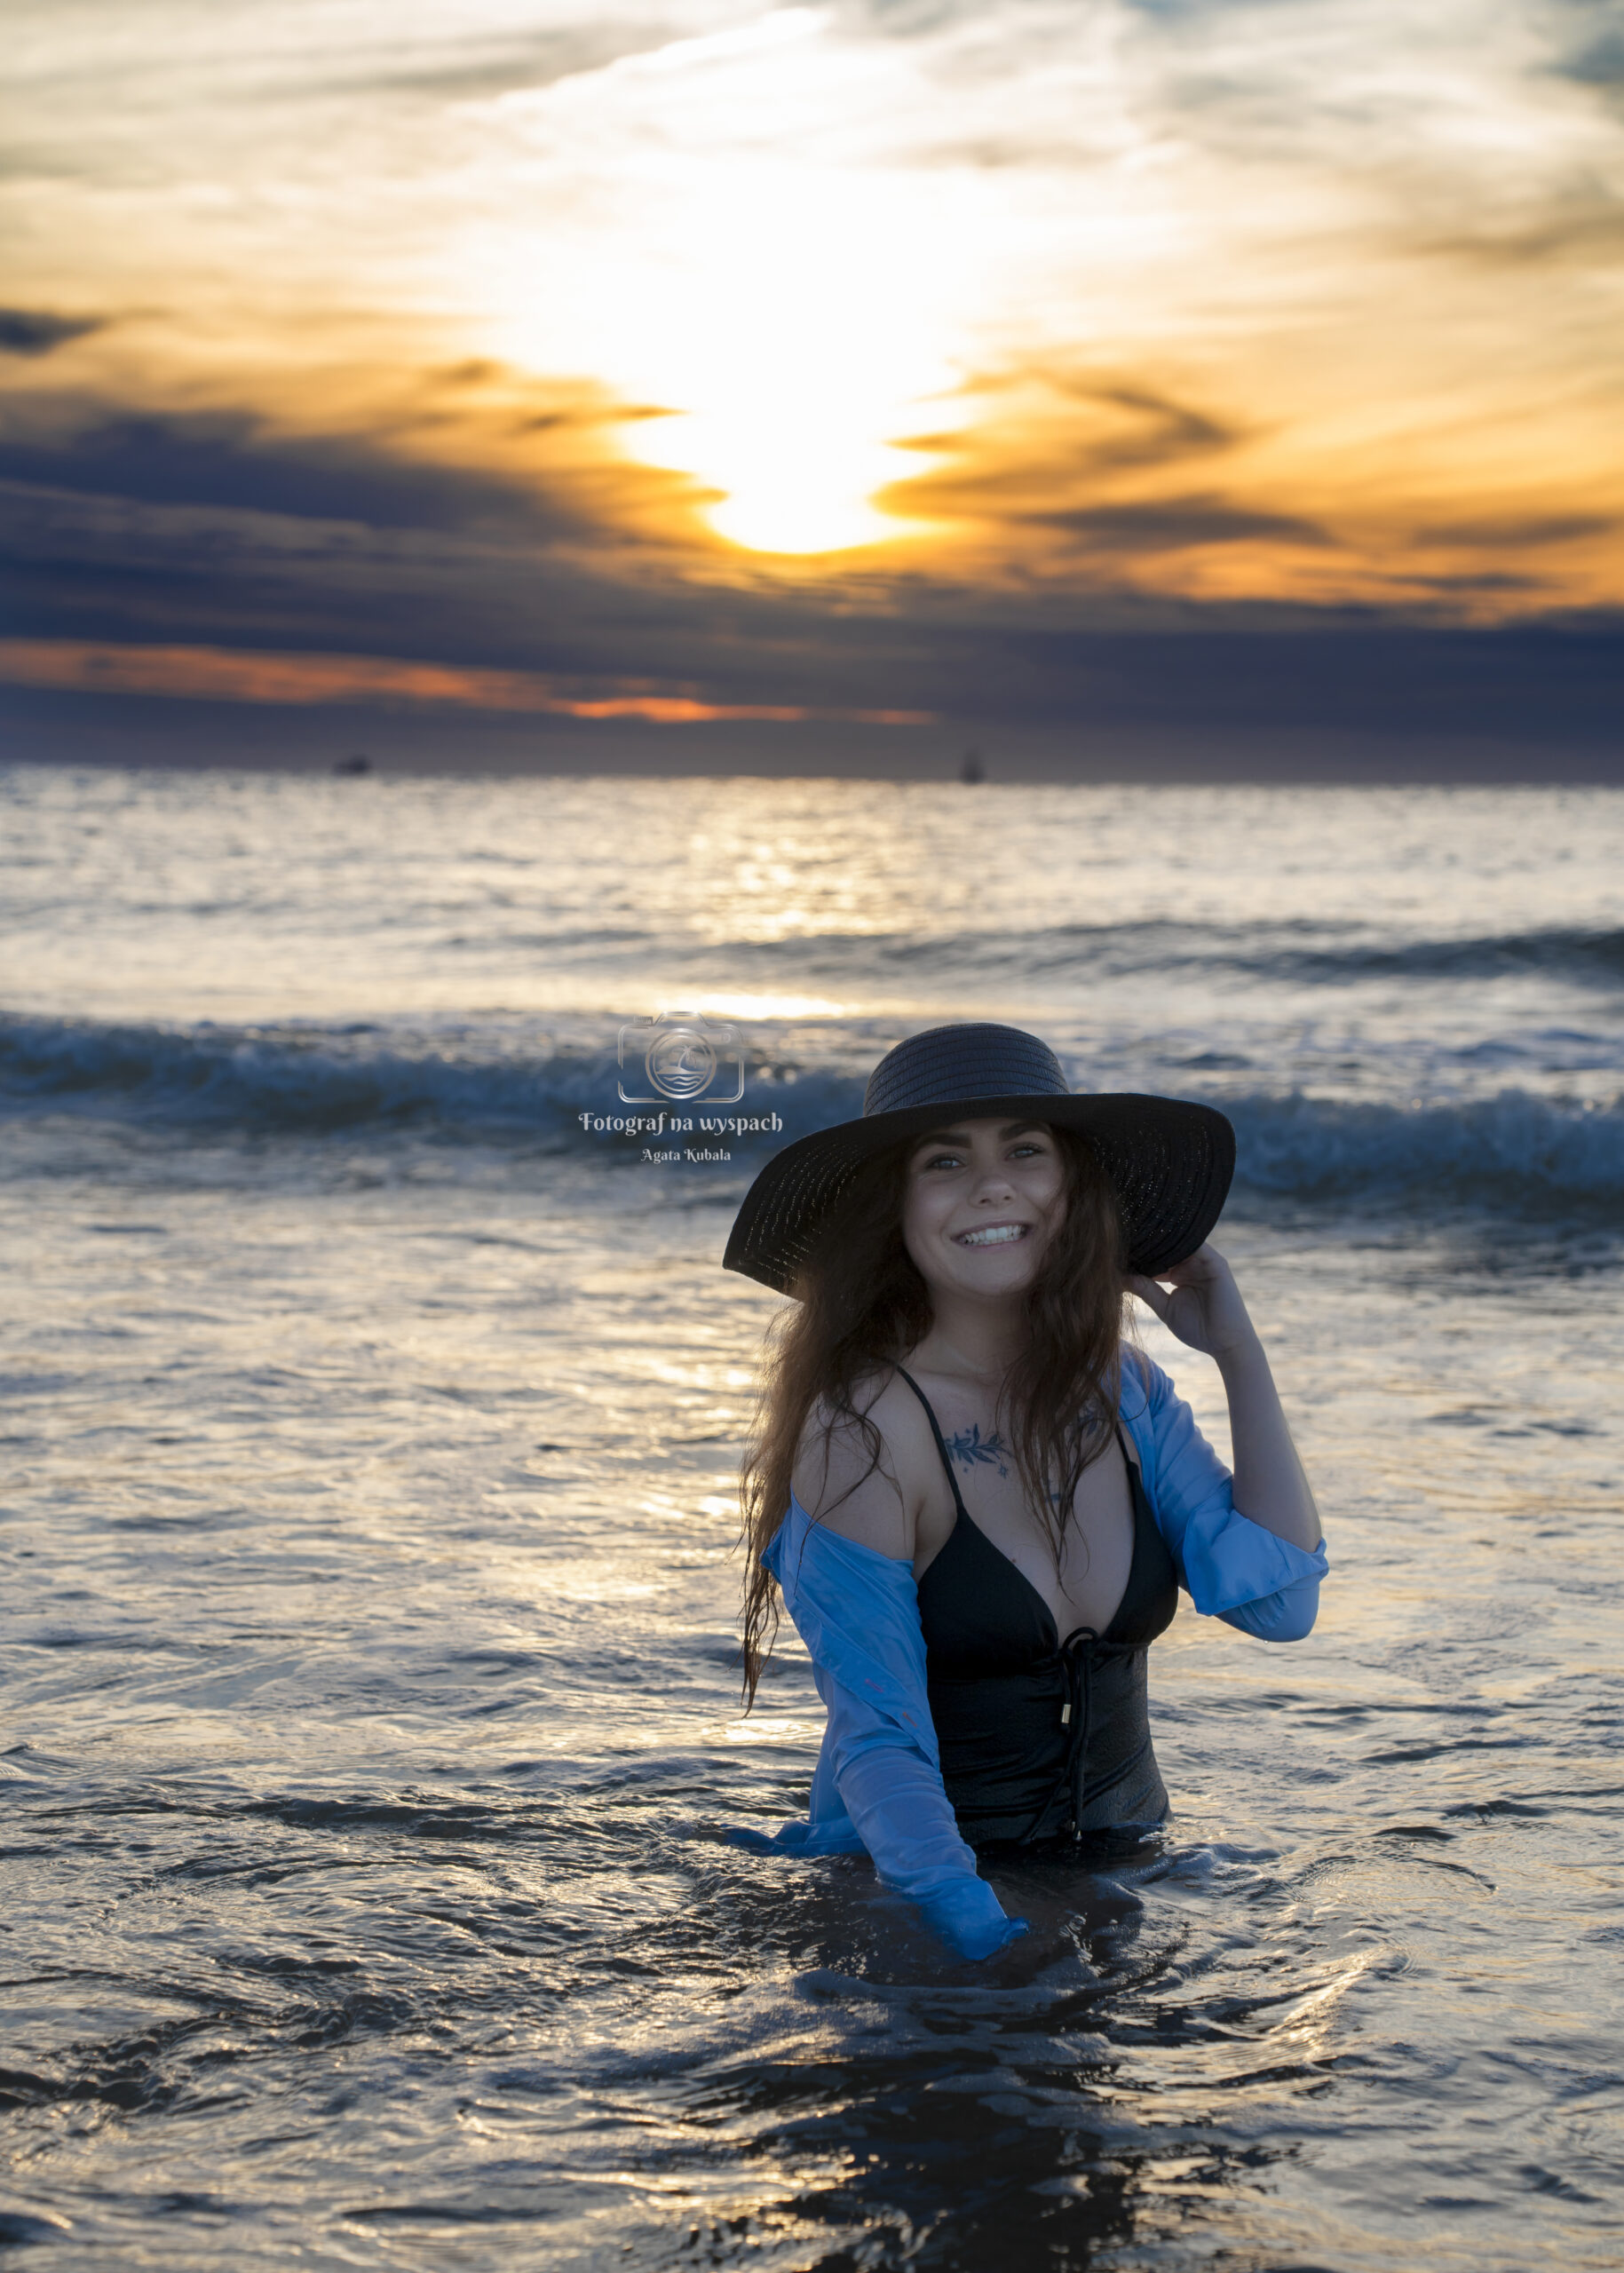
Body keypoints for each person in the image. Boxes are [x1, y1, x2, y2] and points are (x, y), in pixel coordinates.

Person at [724, 1023, 1327, 1960]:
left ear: (1069, 1185)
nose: (991, 1184)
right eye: (944, 1161)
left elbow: (1280, 1605)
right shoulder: (864, 1432)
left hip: (1123, 1878)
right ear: (895, 1207)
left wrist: (1237, 1353)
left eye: (1025, 1151)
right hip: (915, 1903)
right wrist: (986, 1945)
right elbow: (880, 1746)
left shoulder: (1121, 1390)